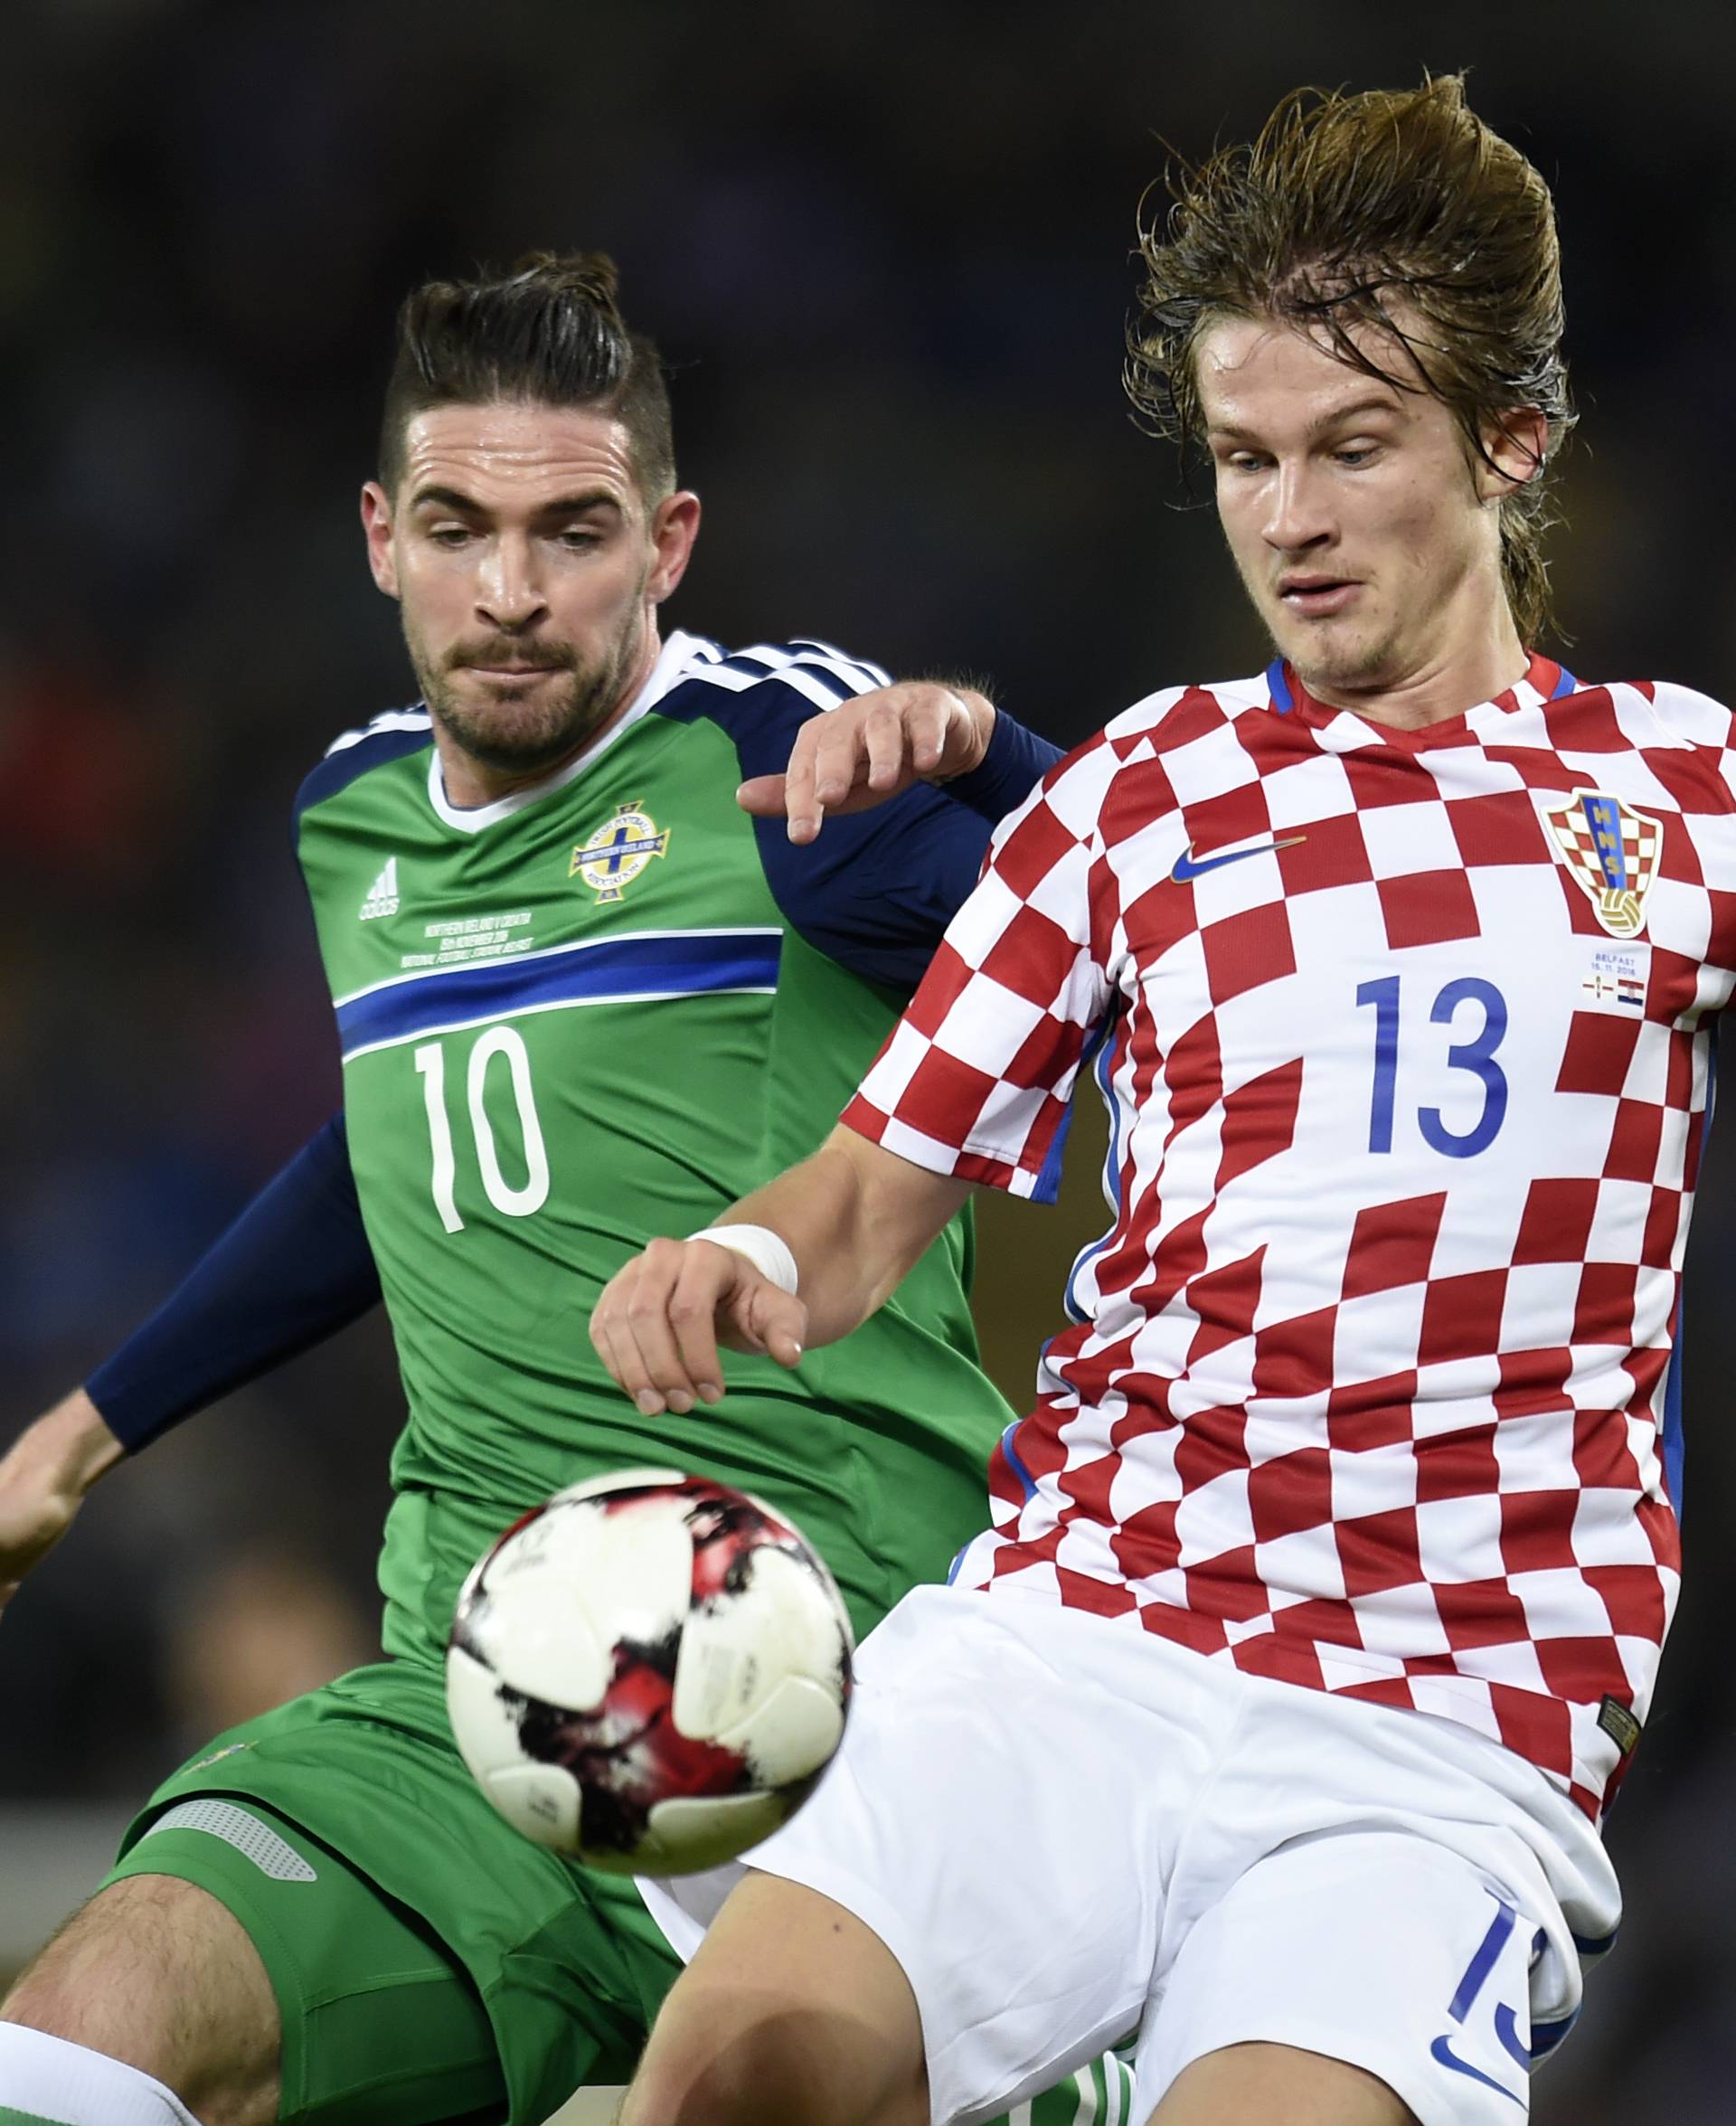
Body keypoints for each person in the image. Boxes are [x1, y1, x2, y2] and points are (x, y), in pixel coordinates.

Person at [590, 76, 1705, 2126]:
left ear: (1513, 447)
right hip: (1079, 1638)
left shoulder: (1681, 794)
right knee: (726, 2086)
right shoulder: (1136, 791)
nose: (1287, 518)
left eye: (1353, 449)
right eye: (1245, 457)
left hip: (1438, 1733)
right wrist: (743, 1251)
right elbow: (864, 1200)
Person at [0, 252, 1127, 2126]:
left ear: (669, 539)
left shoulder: (788, 766)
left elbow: (1194, 941)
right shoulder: (353, 814)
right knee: (77, 2046)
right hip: (482, 1699)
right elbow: (390, 1144)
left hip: (848, 1709)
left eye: (574, 532)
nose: (511, 595)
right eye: (460, 529)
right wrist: (82, 1438)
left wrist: (1005, 766)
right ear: (380, 535)